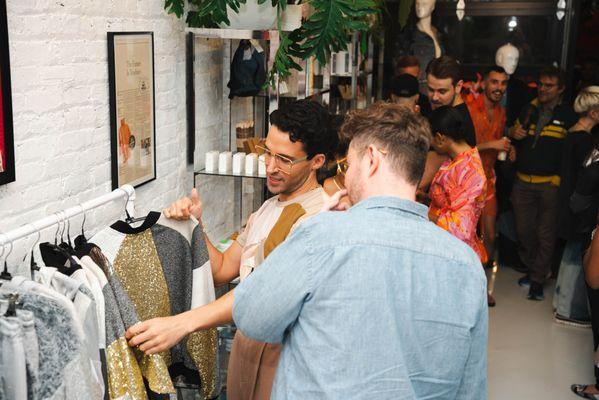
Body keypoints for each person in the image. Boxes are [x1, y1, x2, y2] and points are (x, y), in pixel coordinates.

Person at [126, 103, 489, 399]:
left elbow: (255, 317)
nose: (346, 177)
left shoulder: (321, 233)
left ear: (373, 161)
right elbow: (470, 386)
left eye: (350, 164)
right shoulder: (465, 263)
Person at [126, 99, 337, 400]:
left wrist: (182, 324)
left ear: (317, 161)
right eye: (267, 153)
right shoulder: (268, 207)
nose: (271, 167)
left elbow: (266, 293)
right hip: (247, 347)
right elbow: (223, 268)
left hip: (285, 355)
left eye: (285, 160)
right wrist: (196, 224)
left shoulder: (315, 219)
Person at [509, 66, 578, 300]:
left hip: (550, 185)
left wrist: (560, 179)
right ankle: (534, 268)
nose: (543, 89)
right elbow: (512, 133)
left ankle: (537, 279)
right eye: (540, 84)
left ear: (561, 89)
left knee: (546, 234)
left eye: (549, 85)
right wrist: (514, 132)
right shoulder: (529, 109)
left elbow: (572, 154)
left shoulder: (568, 116)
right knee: (523, 231)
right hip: (522, 183)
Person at [427, 106, 491, 305]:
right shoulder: (458, 159)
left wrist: (428, 216)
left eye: (430, 137)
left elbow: (461, 228)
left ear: (440, 138)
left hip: (455, 257)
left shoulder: (470, 170)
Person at [554, 86, 599, 326]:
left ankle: (561, 302)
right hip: (577, 204)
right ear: (593, 113)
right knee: (575, 255)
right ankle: (569, 309)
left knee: (570, 251)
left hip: (568, 200)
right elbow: (586, 178)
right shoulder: (584, 140)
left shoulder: (574, 132)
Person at [466, 66, 514, 268]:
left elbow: (498, 144)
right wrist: (491, 145)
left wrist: (509, 149)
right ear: (484, 83)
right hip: (467, 181)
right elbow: (459, 148)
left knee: (491, 235)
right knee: (465, 234)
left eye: (503, 83)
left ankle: (481, 284)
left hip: (488, 182)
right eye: (494, 82)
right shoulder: (468, 107)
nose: (499, 87)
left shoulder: (502, 112)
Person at [419, 56, 477, 193]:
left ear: (458, 87)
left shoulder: (451, 121)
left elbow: (421, 182)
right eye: (431, 89)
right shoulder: (443, 109)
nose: (434, 97)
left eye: (442, 91)